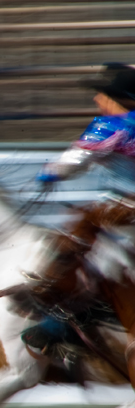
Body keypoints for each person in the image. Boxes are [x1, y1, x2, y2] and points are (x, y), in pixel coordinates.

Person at [23, 62, 135, 358]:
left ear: (119, 98)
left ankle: (59, 326)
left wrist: (49, 173)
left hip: (123, 214)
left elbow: (72, 163)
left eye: (102, 94)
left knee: (82, 255)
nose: (97, 99)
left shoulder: (110, 127)